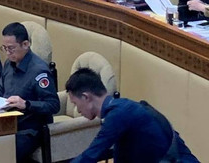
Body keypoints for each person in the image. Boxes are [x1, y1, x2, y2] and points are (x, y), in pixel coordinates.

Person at [66, 68, 199, 163]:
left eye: (76, 103)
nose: (78, 110)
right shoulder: (123, 107)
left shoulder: (118, 115)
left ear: (86, 97)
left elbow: (92, 154)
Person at [0, 22, 59, 162]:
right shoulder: (9, 63)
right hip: (6, 122)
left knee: (1, 155)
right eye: (5, 48)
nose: (8, 53)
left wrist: (26, 104)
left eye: (11, 48)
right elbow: (1, 89)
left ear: (25, 44)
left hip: (29, 129)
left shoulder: (39, 71)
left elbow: (53, 105)